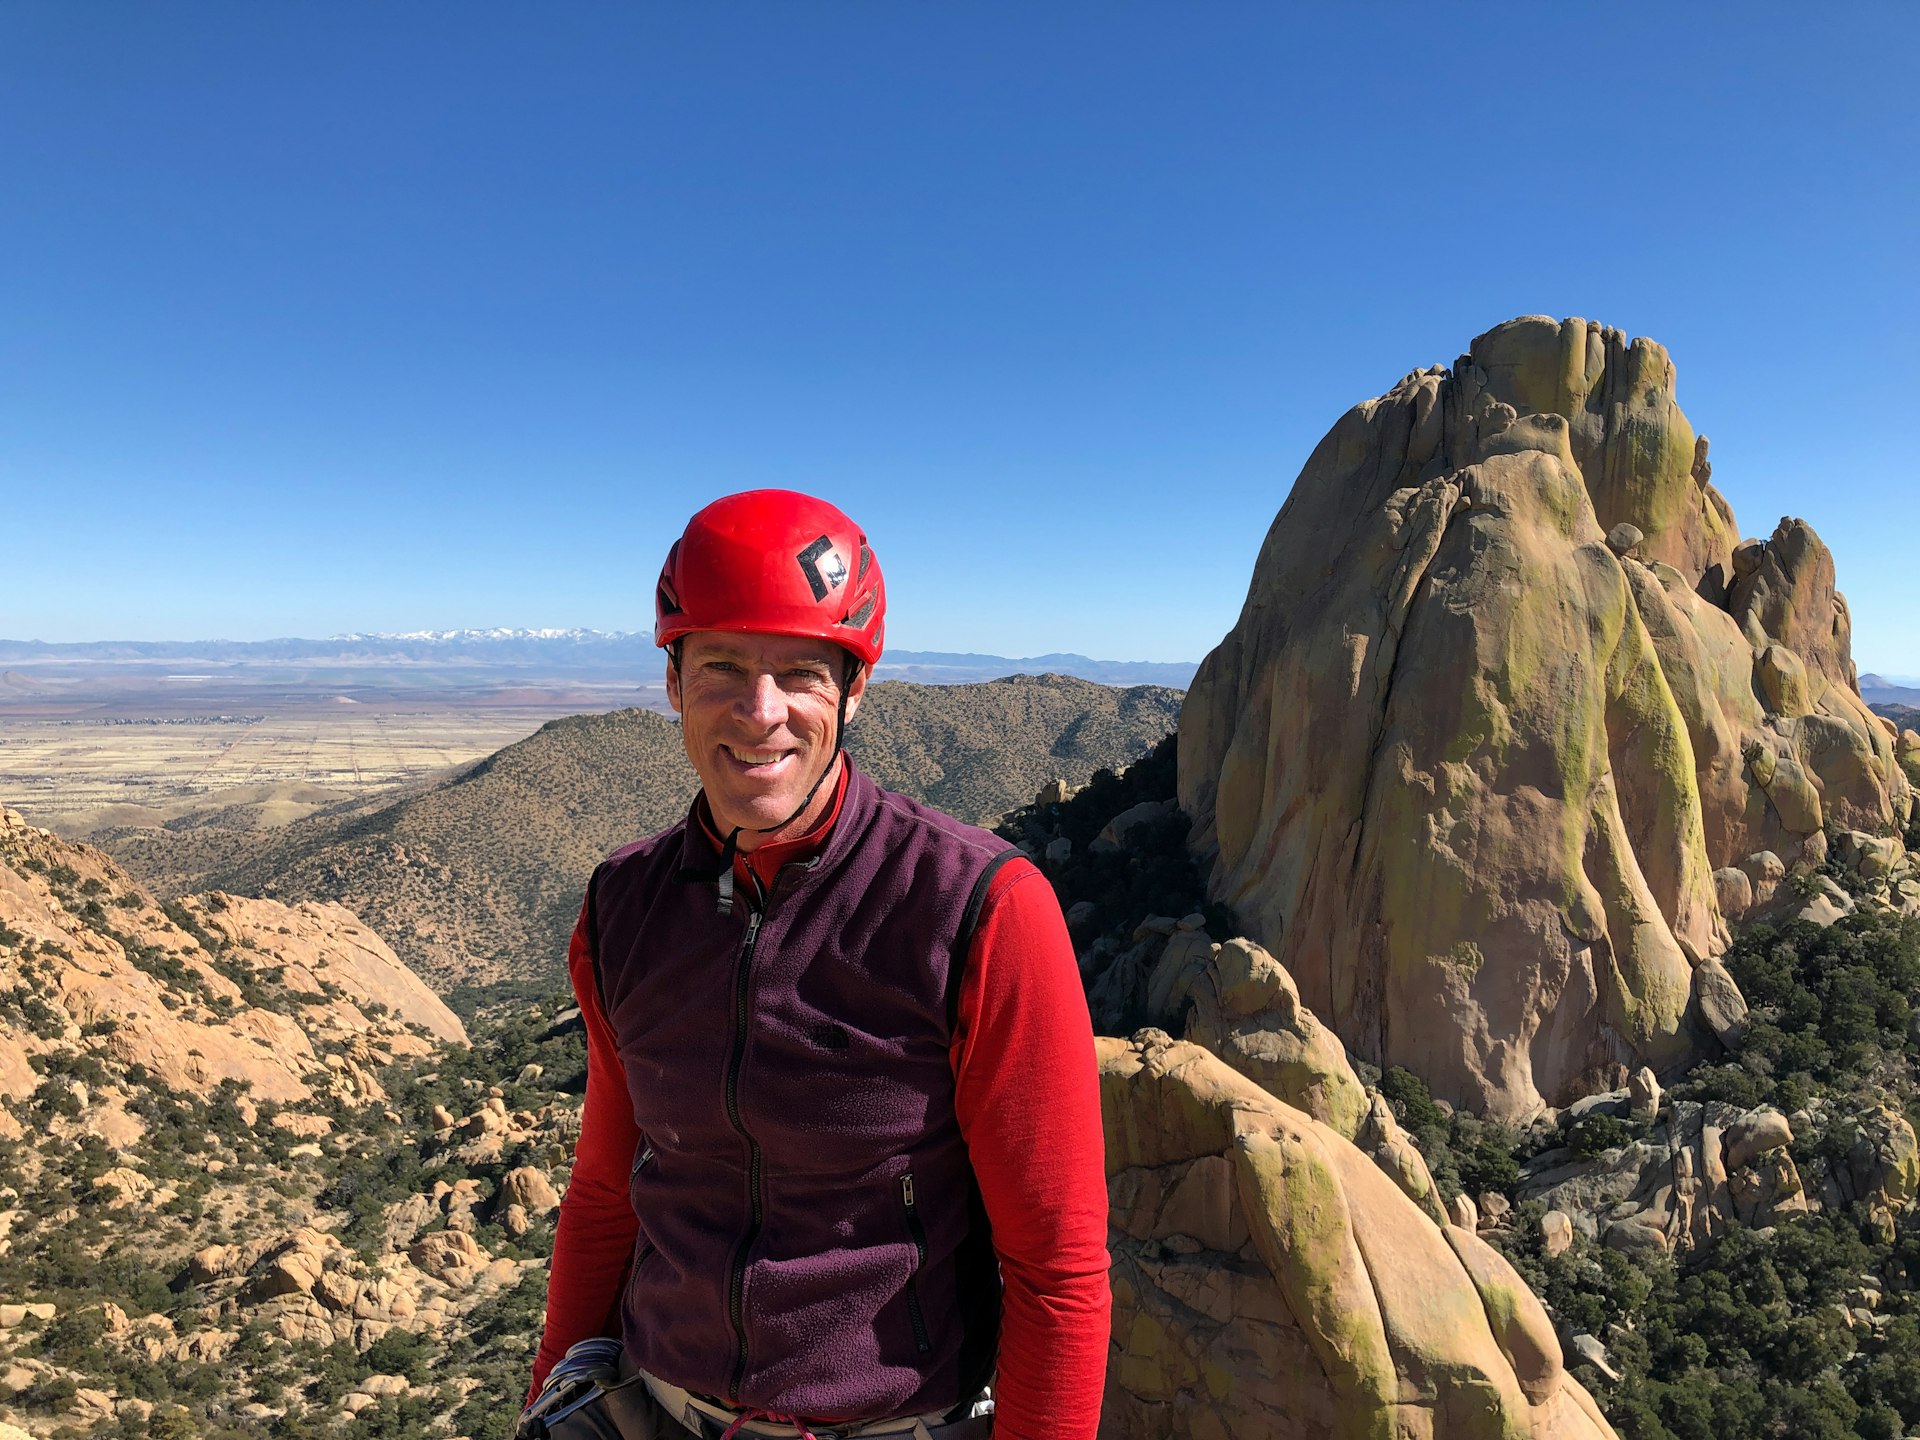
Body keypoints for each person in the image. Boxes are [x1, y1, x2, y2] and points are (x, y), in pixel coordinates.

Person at [522, 491, 1111, 1440]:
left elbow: (1058, 1265)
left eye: (800, 672)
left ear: (853, 689)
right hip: (655, 1405)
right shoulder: (624, 904)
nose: (762, 715)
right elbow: (605, 1189)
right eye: (722, 667)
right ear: (672, 682)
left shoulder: (977, 908)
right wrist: (552, 1384)